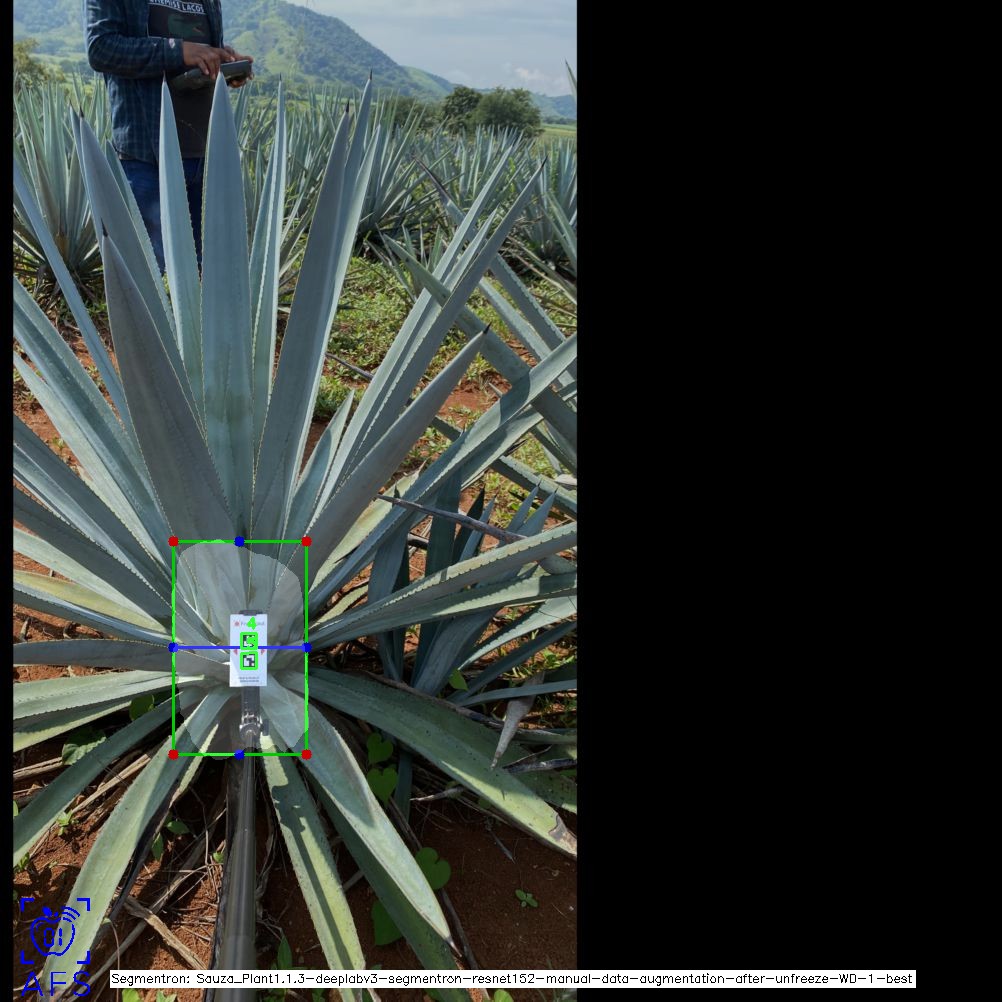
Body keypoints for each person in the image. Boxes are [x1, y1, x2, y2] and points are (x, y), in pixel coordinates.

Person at [85, 1, 253, 273]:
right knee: (147, 273)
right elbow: (101, 49)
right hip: (146, 156)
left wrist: (220, 59)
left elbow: (197, 48)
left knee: (208, 273)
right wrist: (178, 51)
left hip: (204, 153)